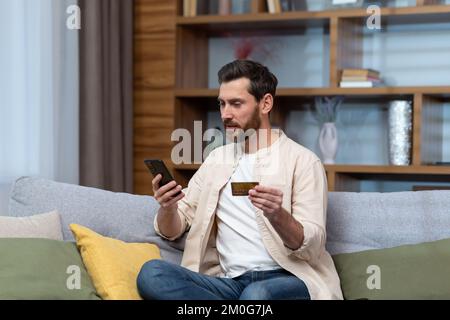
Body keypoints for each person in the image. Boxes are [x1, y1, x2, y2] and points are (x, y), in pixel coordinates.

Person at [136, 60, 343, 300]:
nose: (225, 114)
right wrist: (168, 207)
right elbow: (173, 229)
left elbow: (312, 245)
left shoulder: (304, 161)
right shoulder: (215, 160)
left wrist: (278, 215)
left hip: (289, 279)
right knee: (152, 274)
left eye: (236, 104)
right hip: (228, 284)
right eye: (222, 104)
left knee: (256, 295)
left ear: (265, 103)